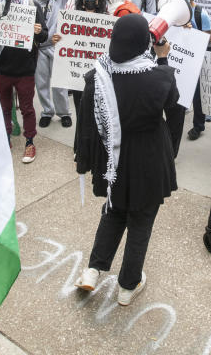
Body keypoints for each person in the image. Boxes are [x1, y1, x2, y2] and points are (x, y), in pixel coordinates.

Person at [73, 15, 180, 305]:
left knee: (113, 212)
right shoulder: (159, 77)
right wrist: (162, 59)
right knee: (141, 222)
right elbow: (172, 102)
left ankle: (93, 270)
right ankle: (127, 286)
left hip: (114, 159)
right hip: (148, 161)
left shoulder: (99, 74)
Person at [0, 0, 48, 164]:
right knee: (4, 108)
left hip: (25, 69)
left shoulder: (32, 7)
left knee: (27, 108)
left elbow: (44, 36)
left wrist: (38, 30)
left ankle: (30, 141)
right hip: (2, 69)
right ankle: (6, 138)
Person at [32, 0, 72, 130]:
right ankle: (47, 112)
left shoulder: (57, 2)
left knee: (59, 82)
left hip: (55, 46)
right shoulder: (30, 5)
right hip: (39, 48)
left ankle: (64, 113)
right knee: (41, 83)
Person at [179, 0, 211, 142]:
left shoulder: (201, 14)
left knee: (197, 96)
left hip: (195, 60)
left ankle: (198, 125)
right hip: (177, 58)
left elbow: (207, 37)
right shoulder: (173, 10)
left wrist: (191, 34)